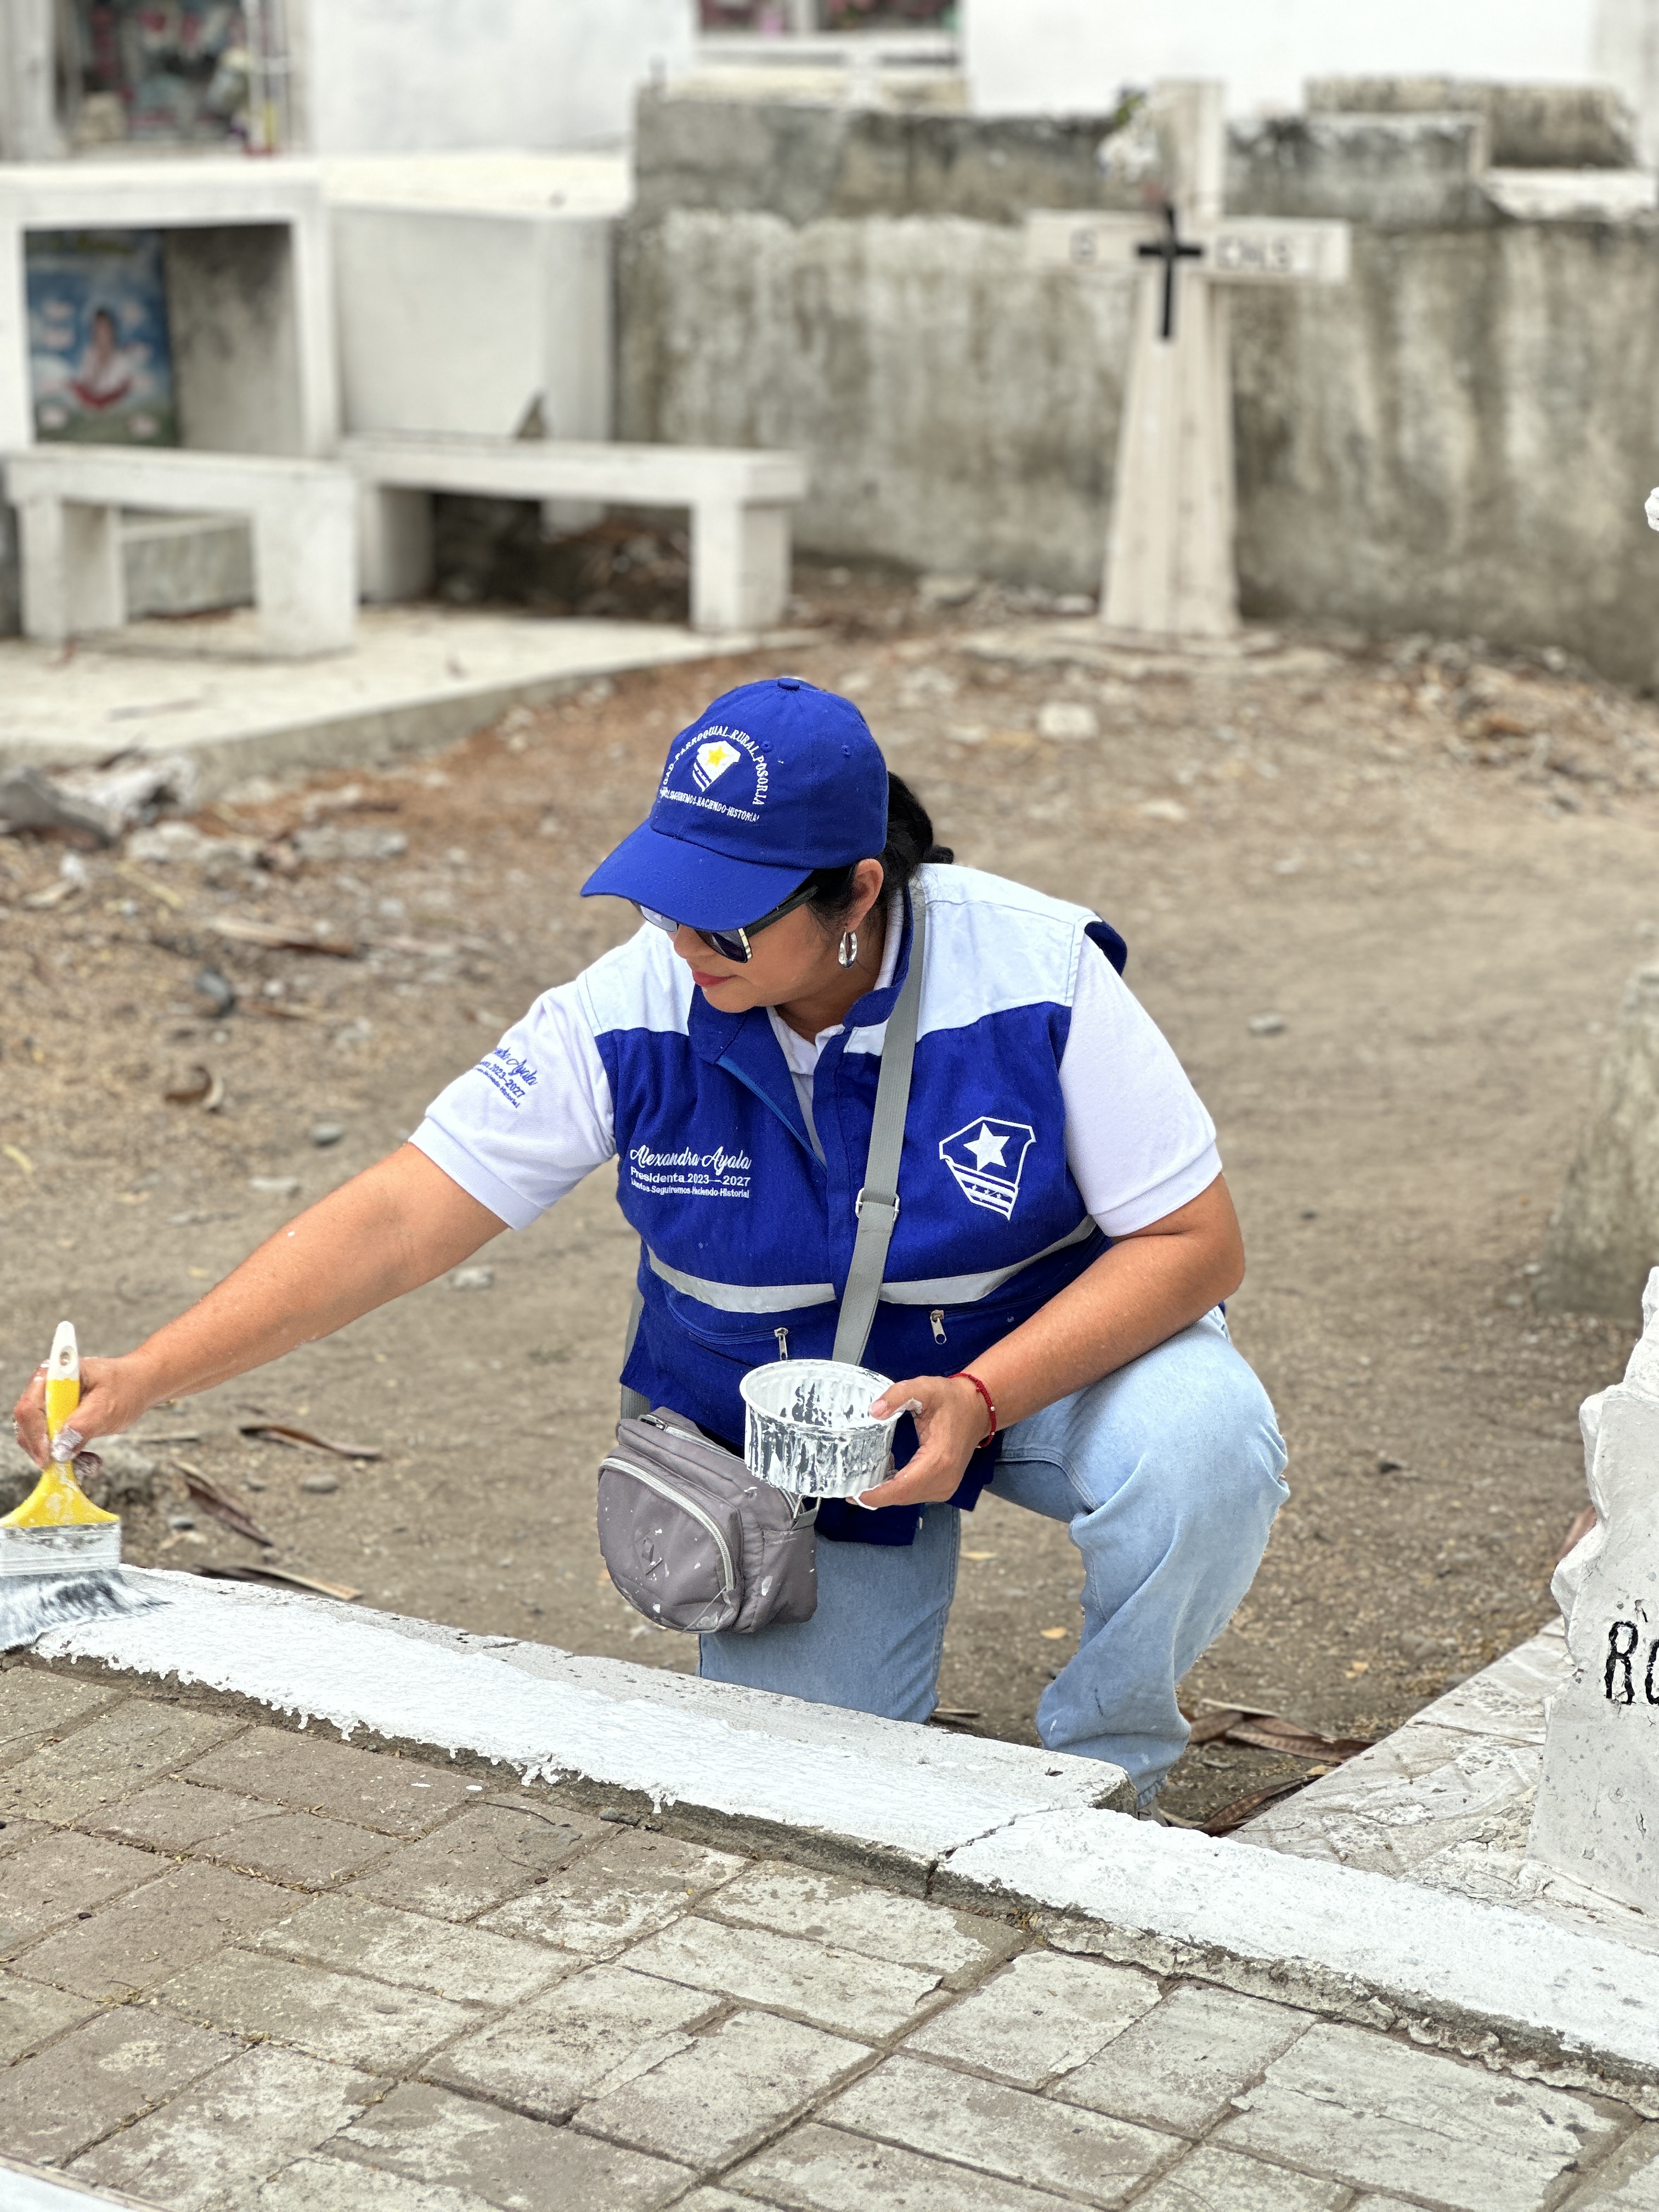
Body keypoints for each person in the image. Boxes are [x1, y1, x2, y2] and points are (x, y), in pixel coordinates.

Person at [12, 678, 1285, 1808]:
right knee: (811, 1801)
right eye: (670, 901)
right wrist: (153, 1371)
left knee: (1204, 1444)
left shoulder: (1037, 972)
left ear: (858, 890)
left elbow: (1195, 1243)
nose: (685, 947)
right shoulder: (632, 1003)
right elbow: (403, 1216)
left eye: (729, 923)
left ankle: (1110, 1767)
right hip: (797, 1450)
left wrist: (983, 1394)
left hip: (1033, 1368)